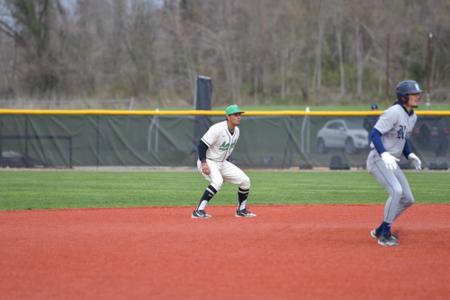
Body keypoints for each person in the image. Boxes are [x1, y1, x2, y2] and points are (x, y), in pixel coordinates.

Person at [366, 80, 423, 247]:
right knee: (396, 191)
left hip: (392, 162)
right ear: (404, 97)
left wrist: (410, 154)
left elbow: (403, 139)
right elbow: (374, 134)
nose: (418, 96)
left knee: (408, 198)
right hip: (378, 158)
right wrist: (384, 154)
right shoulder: (393, 112)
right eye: (414, 94)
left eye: (418, 93)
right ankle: (384, 235)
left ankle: (380, 229)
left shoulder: (412, 116)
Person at [192, 104, 256, 219]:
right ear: (228, 116)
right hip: (209, 160)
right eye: (236, 115)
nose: (239, 117)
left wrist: (225, 169)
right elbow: (201, 146)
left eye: (240, 114)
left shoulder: (237, 131)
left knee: (245, 180)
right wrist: (203, 163)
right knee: (217, 181)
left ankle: (241, 210)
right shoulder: (217, 129)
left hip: (222, 162)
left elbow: (226, 151)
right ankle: (198, 211)